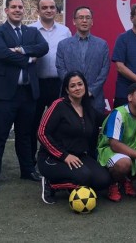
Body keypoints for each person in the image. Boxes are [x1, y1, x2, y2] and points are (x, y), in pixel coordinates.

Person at [0, 0, 48, 193]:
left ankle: (27, 170)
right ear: (6, 10)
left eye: (20, 7)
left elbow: (43, 48)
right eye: (13, 7)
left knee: (25, 134)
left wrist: (20, 49)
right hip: (4, 94)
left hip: (27, 93)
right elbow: (0, 53)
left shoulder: (32, 31)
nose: (17, 10)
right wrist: (28, 59)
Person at [37, 71, 110, 204]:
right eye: (73, 86)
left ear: (85, 86)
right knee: (84, 177)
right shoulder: (58, 105)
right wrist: (64, 156)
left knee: (103, 180)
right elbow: (42, 133)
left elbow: (107, 119)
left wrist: (128, 111)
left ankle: (73, 183)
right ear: (67, 89)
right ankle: (50, 183)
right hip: (54, 158)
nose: (77, 88)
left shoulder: (87, 107)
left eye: (80, 84)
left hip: (79, 156)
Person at [97, 82, 136, 202]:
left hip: (133, 152)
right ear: (130, 97)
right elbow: (114, 144)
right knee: (124, 163)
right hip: (109, 151)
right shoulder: (119, 113)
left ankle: (127, 180)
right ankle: (113, 183)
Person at [29, 0, 71, 164]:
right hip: (35, 84)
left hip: (58, 84)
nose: (48, 10)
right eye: (44, 7)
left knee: (56, 125)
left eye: (52, 7)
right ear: (38, 11)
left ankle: (53, 157)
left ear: (56, 10)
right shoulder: (30, 30)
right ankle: (31, 161)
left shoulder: (65, 31)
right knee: (33, 124)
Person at [56, 6, 110, 113]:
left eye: (87, 17)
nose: (84, 20)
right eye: (80, 17)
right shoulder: (63, 45)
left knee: (95, 129)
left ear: (92, 22)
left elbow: (104, 71)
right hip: (70, 99)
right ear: (74, 21)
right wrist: (74, 89)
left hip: (94, 99)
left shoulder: (102, 45)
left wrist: (91, 91)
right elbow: (61, 69)